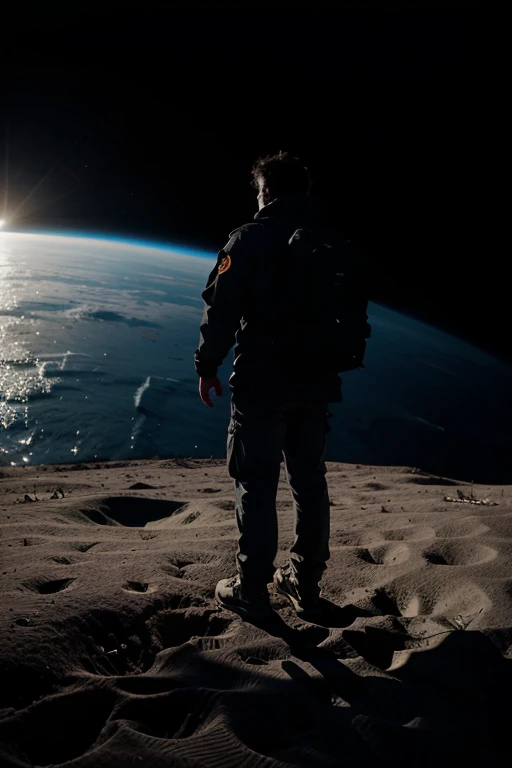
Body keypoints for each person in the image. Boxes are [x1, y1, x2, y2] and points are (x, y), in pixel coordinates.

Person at [194, 152, 364, 619]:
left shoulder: (249, 240)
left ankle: (251, 589)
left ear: (266, 192)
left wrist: (207, 365)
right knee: (310, 485)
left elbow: (221, 310)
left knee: (256, 483)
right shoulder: (329, 241)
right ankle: (304, 585)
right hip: (317, 384)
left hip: (262, 386)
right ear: (305, 193)